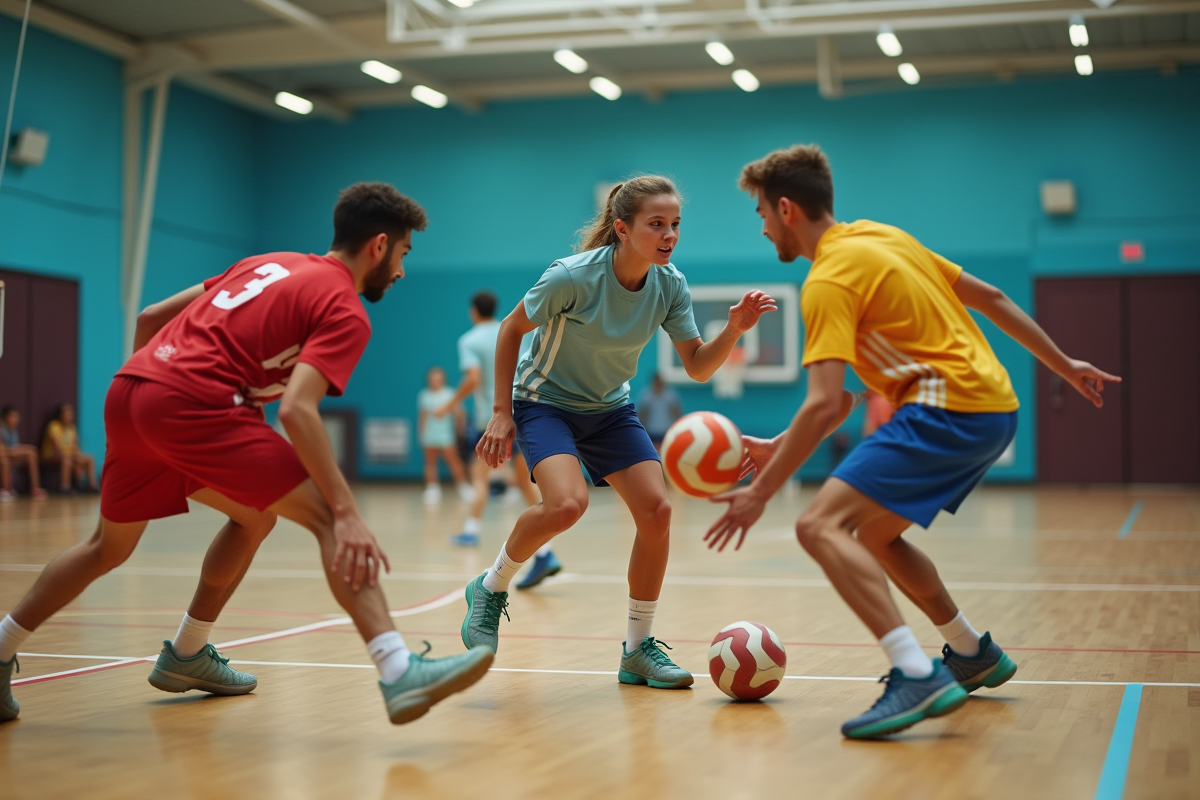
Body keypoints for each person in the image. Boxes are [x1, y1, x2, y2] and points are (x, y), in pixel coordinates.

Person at [0, 182, 493, 726]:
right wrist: (347, 510)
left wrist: (157, 410)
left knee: (131, 543)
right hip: (194, 404)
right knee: (331, 519)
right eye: (402, 254)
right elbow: (299, 412)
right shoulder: (345, 309)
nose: (400, 271)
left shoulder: (268, 263)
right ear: (379, 245)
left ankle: (179, 654)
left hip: (132, 390)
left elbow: (148, 319)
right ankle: (398, 671)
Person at [707, 144, 1121, 739]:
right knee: (874, 533)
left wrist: (761, 491)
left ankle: (914, 672)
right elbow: (992, 300)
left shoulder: (827, 281)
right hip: (995, 408)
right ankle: (969, 650)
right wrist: (1062, 363)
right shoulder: (883, 238)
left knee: (817, 525)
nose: (764, 225)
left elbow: (824, 401)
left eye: (762, 213)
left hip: (943, 409)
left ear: (788, 209)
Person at [463, 176, 776, 689]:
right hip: (546, 404)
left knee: (657, 512)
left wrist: (736, 329)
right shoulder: (571, 276)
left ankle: (636, 650)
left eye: (675, 224)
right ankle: (490, 588)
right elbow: (511, 329)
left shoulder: (670, 284)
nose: (669, 234)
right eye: (656, 224)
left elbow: (697, 366)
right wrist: (501, 411)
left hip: (610, 409)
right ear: (622, 228)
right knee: (567, 505)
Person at [436, 292, 558, 589]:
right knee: (526, 483)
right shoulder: (514, 329)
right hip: (522, 412)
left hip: (491, 420)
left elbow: (473, 379)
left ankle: (472, 529)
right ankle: (545, 552)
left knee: (479, 476)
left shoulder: (470, 340)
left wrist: (451, 403)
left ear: (473, 311)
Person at [417, 366, 473, 505]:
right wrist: (421, 434)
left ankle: (463, 487)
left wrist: (461, 428)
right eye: (433, 379)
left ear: (442, 380)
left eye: (438, 379)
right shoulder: (424, 395)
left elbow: (459, 412)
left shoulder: (449, 394)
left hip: (446, 435)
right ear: (429, 380)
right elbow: (422, 417)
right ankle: (432, 489)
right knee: (430, 463)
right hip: (430, 435)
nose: (436, 382)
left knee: (454, 461)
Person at [41, 403, 98, 493]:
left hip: (69, 455)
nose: (70, 415)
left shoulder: (72, 428)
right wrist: (72, 458)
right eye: (67, 413)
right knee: (66, 459)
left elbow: (75, 446)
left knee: (89, 458)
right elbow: (57, 448)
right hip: (52, 455)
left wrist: (77, 457)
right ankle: (65, 487)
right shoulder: (53, 426)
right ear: (60, 415)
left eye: (71, 413)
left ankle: (92, 486)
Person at [0, 407, 47, 499]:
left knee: (31, 455)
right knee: (5, 460)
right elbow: (3, 450)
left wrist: (24, 449)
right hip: (2, 458)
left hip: (10, 458)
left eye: (17, 416)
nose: (16, 419)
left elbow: (15, 447)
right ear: (6, 417)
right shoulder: (1, 429)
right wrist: (24, 450)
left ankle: (35, 488)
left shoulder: (13, 431)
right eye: (13, 416)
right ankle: (6, 491)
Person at [636, 374, 682, 449]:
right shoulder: (646, 396)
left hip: (666, 430)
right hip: (651, 430)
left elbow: (677, 412)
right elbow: (642, 414)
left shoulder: (670, 395)